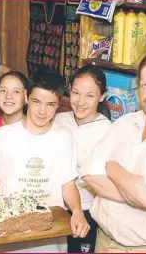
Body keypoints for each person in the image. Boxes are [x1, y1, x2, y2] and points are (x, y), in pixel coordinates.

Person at [0, 80, 90, 252]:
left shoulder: (63, 137)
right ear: (27, 97)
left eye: (50, 104)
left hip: (49, 239)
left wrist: (77, 211)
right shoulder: (3, 135)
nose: (42, 111)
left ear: (58, 105)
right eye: (37, 102)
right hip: (7, 238)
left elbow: (68, 184)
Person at [81, 51, 146, 252]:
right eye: (145, 84)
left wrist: (111, 167)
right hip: (102, 242)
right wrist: (136, 197)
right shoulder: (126, 123)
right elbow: (89, 172)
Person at [54, 65, 112, 253]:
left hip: (87, 211)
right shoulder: (57, 120)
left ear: (102, 96)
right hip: (53, 207)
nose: (80, 102)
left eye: (90, 95)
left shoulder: (108, 131)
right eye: (76, 93)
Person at [0, 71, 29, 141]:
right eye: (3, 90)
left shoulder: (34, 128)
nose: (8, 96)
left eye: (16, 91)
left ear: (26, 97)